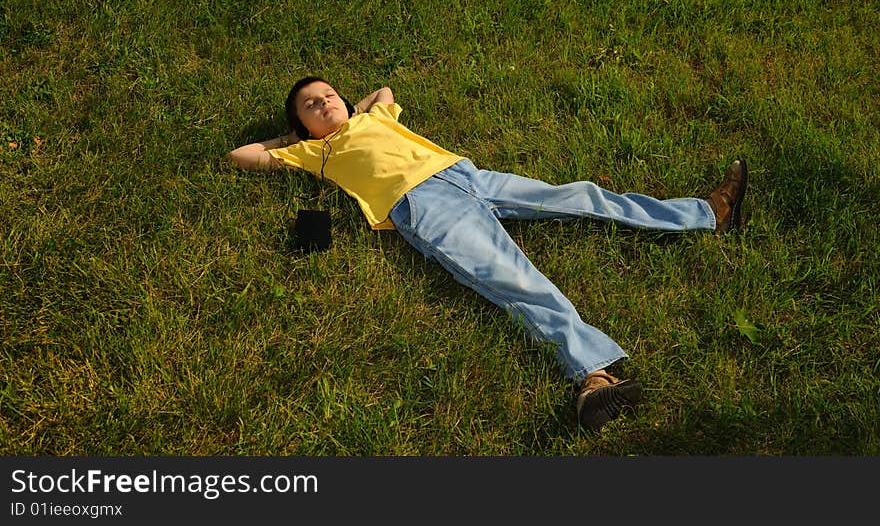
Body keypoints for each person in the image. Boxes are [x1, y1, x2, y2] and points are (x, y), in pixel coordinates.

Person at [226, 76, 749, 432]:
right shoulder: (313, 152)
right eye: (310, 106)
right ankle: (592, 379)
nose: (324, 104)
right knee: (511, 279)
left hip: (465, 174)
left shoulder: (374, 117)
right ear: (300, 127)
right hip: (422, 207)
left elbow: (383, 89)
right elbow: (241, 155)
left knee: (581, 196)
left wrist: (353, 111)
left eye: (329, 95)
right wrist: (295, 136)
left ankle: (705, 214)